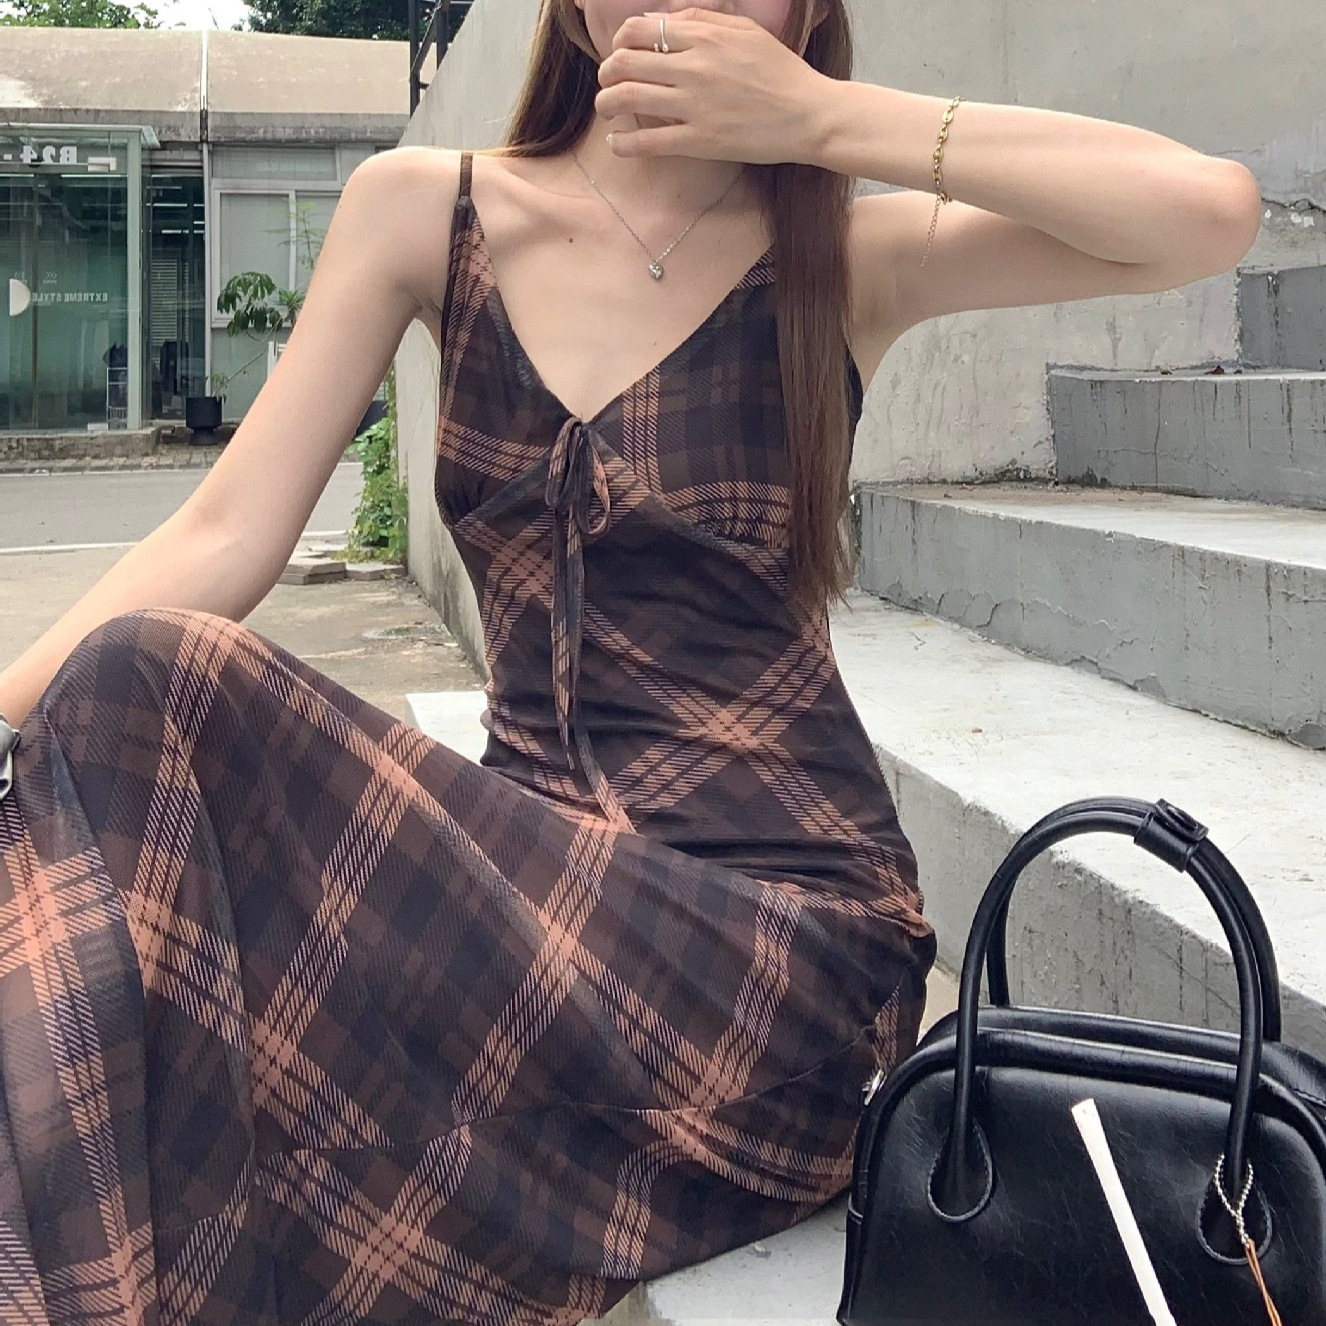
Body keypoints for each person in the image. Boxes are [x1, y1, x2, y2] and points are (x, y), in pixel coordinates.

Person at [0, 1, 1262, 1322]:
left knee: (164, 712)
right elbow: (223, 533)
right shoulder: (427, 212)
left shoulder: (842, 256)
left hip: (784, 963)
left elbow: (1203, 214)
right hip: (520, 921)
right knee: (126, 769)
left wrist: (822, 119)